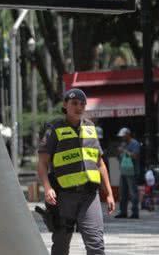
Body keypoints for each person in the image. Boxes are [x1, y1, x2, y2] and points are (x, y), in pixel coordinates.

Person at [38, 88, 115, 255]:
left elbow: (99, 163)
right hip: (64, 196)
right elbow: (43, 163)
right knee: (61, 245)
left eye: (82, 104)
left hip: (90, 196)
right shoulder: (54, 129)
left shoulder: (91, 128)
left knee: (96, 245)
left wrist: (108, 193)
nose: (79, 107)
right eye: (74, 103)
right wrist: (47, 188)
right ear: (65, 105)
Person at [114, 127, 140, 219]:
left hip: (132, 172)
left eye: (123, 136)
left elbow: (135, 155)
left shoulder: (134, 143)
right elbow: (119, 157)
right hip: (124, 171)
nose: (122, 138)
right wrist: (119, 153)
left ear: (128, 134)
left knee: (133, 192)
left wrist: (124, 151)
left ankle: (135, 212)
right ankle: (123, 211)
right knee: (122, 192)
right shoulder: (123, 144)